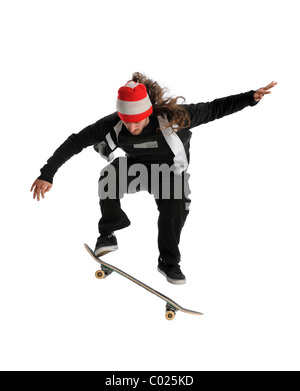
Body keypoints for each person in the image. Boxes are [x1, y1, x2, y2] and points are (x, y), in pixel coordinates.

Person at [31, 72, 277, 285]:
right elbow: (75, 141)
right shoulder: (113, 124)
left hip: (168, 174)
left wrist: (249, 97)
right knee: (110, 175)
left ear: (148, 113)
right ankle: (109, 231)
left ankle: (168, 262)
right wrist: (47, 173)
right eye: (126, 122)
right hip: (136, 169)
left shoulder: (175, 117)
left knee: (175, 209)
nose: (132, 127)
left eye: (137, 121)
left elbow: (214, 108)